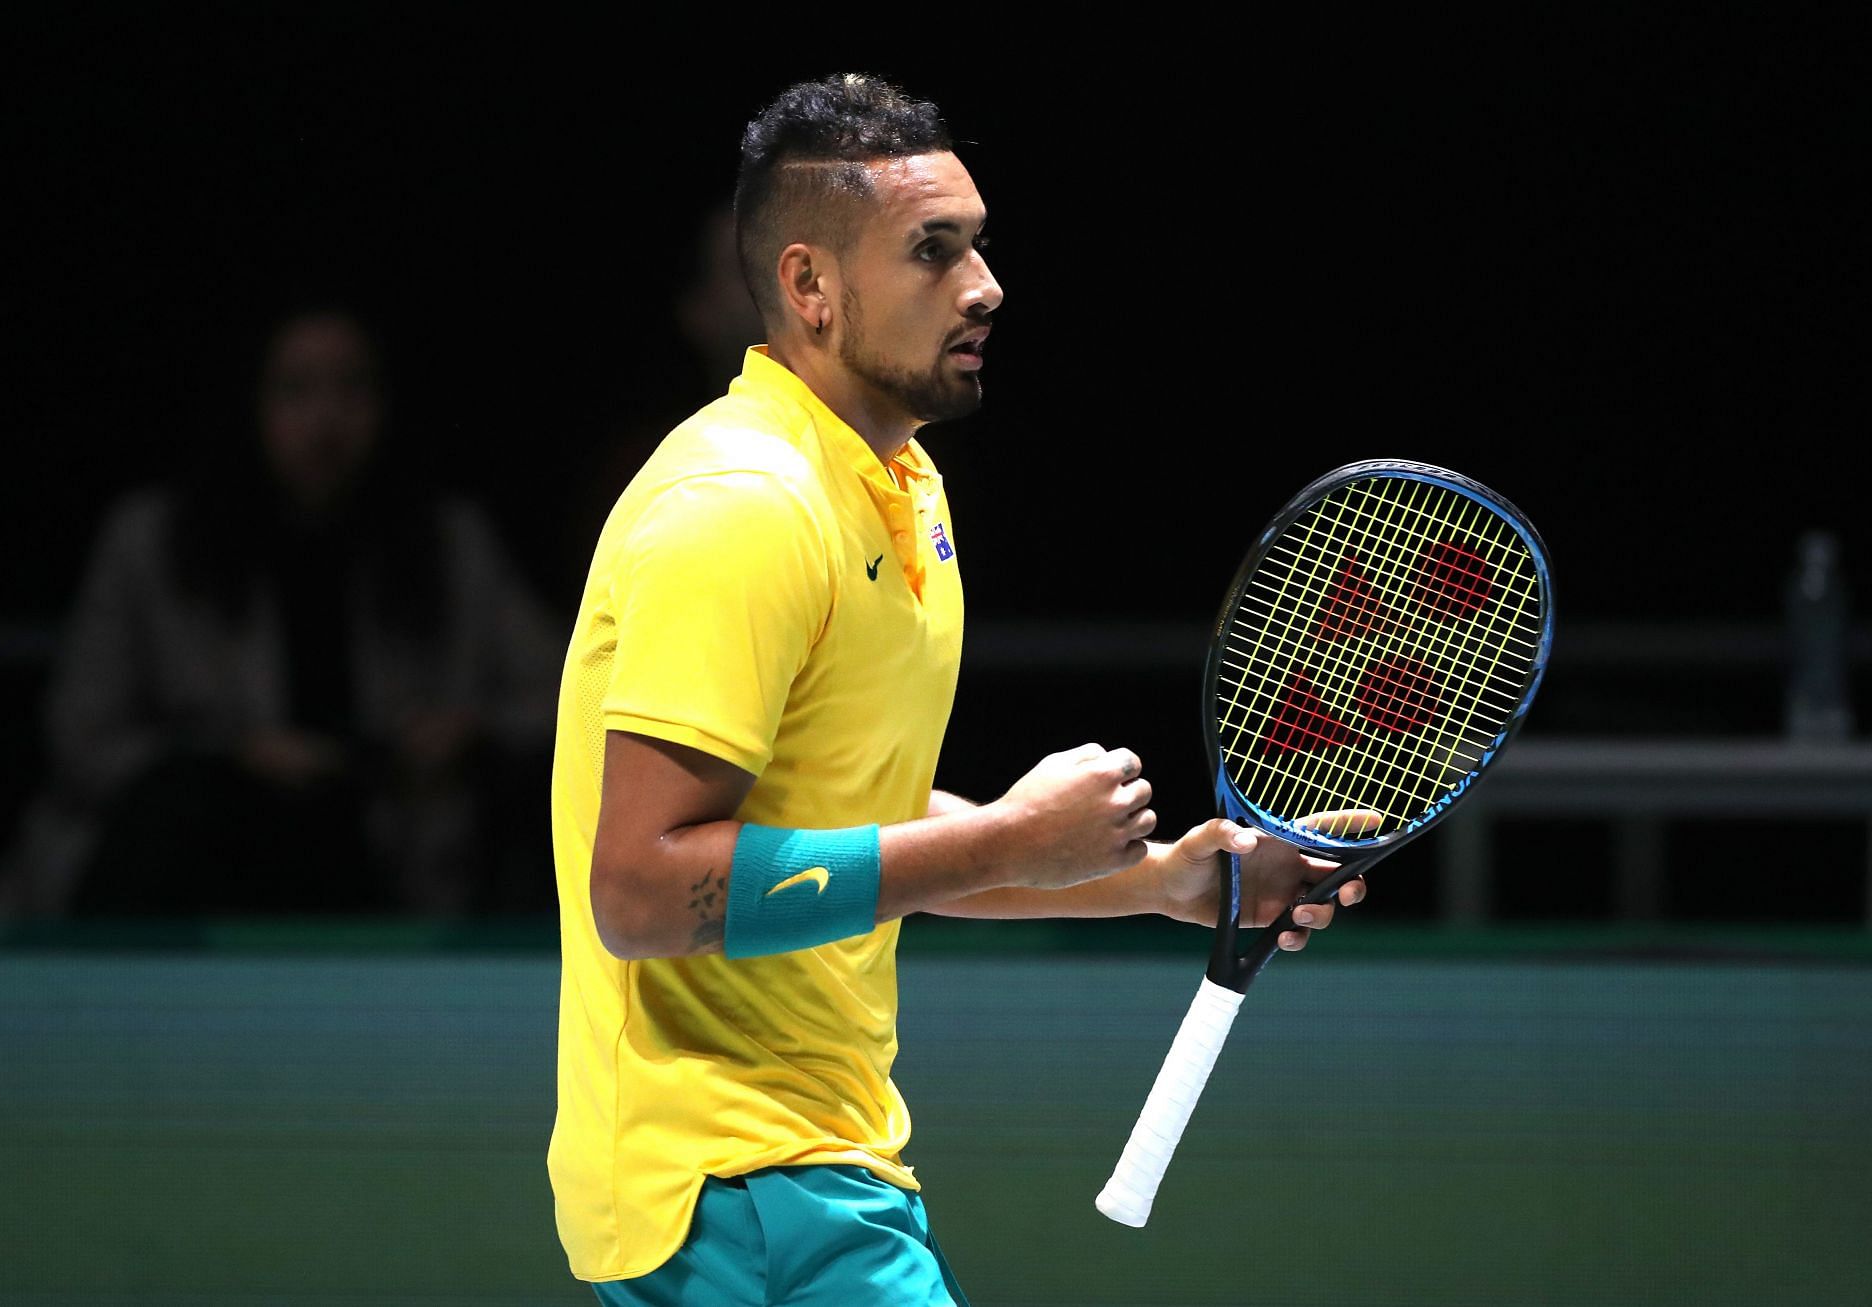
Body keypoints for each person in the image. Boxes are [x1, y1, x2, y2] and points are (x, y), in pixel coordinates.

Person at [548, 75, 1367, 1305]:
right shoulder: (738, 508)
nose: (986, 286)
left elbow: (837, 815)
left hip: (817, 1166)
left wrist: (1160, 881)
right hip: (732, 1187)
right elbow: (642, 888)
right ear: (812, 287)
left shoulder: (899, 488)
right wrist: (1006, 840)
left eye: (977, 245)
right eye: (935, 252)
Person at [0, 304, 560, 917]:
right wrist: (229, 758)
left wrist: (469, 729)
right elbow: (82, 735)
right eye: (296, 389)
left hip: (398, 861)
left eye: (353, 387)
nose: (327, 418)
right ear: (248, 403)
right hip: (198, 866)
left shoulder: (451, 544)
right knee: (184, 815)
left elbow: (567, 692)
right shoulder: (152, 542)